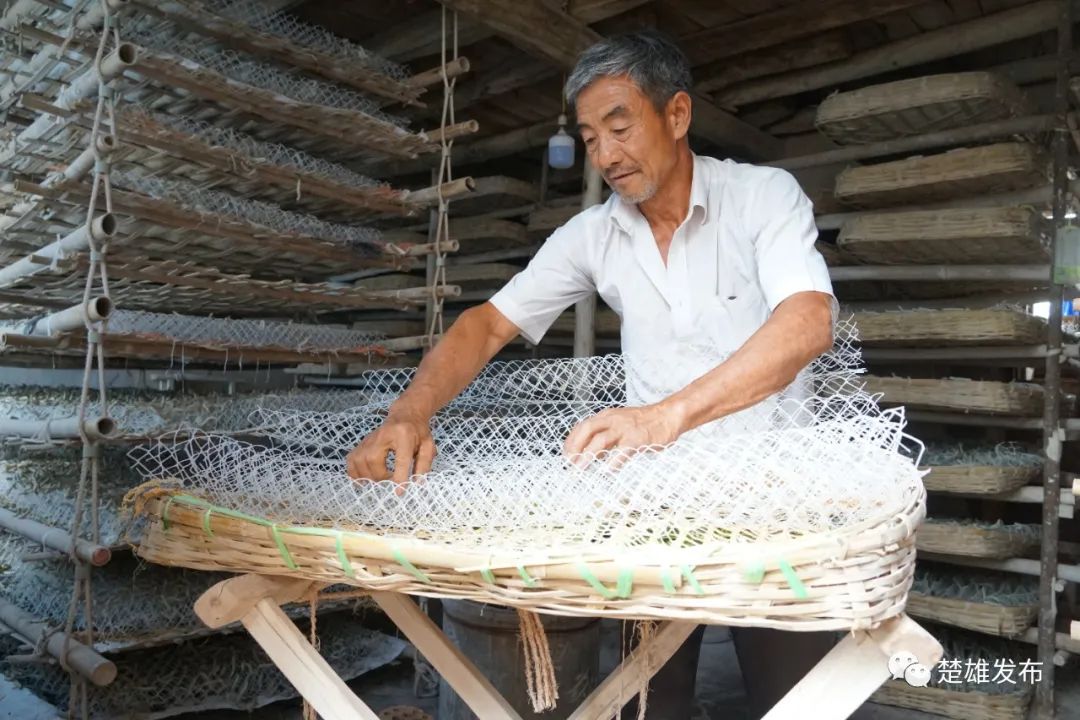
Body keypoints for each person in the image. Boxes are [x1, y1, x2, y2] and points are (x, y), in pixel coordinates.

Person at [347, 30, 838, 720]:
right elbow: (485, 325)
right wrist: (410, 412)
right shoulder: (594, 234)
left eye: (619, 126)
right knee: (647, 705)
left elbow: (808, 323)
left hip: (779, 507)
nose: (605, 155)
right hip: (660, 513)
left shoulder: (762, 198)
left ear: (676, 115)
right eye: (589, 137)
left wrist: (662, 417)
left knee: (802, 703)